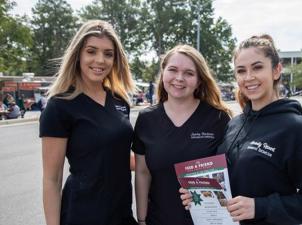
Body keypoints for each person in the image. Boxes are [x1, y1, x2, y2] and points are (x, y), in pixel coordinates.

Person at [180, 35, 302, 224]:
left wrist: (259, 207)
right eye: (241, 71)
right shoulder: (234, 124)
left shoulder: (295, 128)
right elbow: (228, 183)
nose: (249, 77)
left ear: (276, 70)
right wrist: (199, 194)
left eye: (257, 67)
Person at [39, 20, 138, 225]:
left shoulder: (120, 102)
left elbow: (114, 154)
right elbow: (52, 179)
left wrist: (167, 154)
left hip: (121, 214)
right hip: (82, 215)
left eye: (108, 54)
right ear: (78, 55)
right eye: (91, 51)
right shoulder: (59, 106)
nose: (100, 60)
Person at [132, 44, 232, 225]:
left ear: (199, 80)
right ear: (163, 74)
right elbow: (142, 172)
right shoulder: (147, 119)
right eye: (173, 70)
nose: (179, 78)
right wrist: (141, 219)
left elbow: (229, 175)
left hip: (209, 220)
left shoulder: (218, 118)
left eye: (189, 73)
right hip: (159, 220)